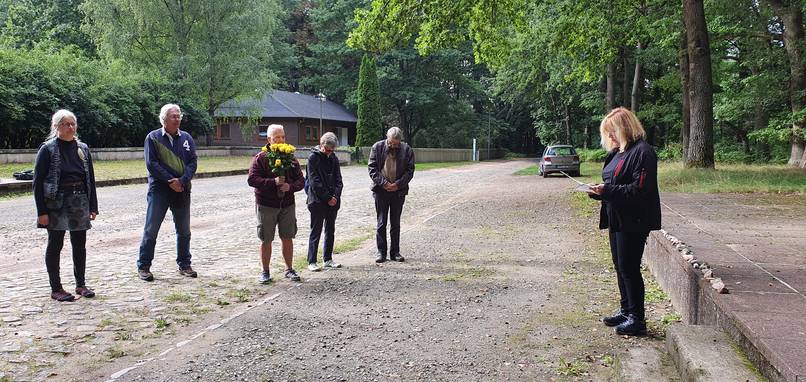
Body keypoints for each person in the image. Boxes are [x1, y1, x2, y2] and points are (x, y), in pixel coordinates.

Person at [588, 107, 661, 336]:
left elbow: (640, 189)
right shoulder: (616, 153)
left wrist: (607, 190)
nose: (609, 136)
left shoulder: (643, 152)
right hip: (616, 217)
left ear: (624, 128)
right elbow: (612, 183)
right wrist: (599, 192)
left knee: (629, 268)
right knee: (620, 266)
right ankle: (626, 309)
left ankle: (637, 319)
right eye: (607, 132)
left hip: (634, 219)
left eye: (612, 131)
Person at [33, 109, 99, 301]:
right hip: (56, 202)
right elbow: (37, 182)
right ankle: (56, 288)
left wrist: (92, 206)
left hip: (79, 200)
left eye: (73, 124)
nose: (70, 127)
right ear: (56, 127)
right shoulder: (47, 149)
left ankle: (81, 284)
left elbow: (90, 179)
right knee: (55, 244)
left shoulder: (83, 148)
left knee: (79, 244)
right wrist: (42, 212)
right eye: (66, 124)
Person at [136, 104, 198, 281]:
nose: (177, 119)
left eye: (179, 116)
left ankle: (184, 264)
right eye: (173, 116)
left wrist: (182, 181)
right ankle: (144, 266)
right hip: (160, 190)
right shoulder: (153, 137)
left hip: (182, 189)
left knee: (184, 230)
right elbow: (152, 164)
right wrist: (171, 181)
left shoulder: (186, 138)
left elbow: (193, 162)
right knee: (151, 229)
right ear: (164, 119)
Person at [247, 124, 305, 283]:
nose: (280, 140)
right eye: (276, 137)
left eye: (282, 137)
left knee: (287, 237)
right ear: (269, 139)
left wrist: (290, 187)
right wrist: (273, 182)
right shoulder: (261, 158)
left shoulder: (291, 157)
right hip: (266, 204)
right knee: (266, 239)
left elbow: (301, 181)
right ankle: (265, 271)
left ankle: (289, 269)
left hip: (287, 204)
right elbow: (252, 179)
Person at [367, 127, 415, 263]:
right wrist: (385, 184)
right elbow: (372, 169)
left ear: (400, 141)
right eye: (390, 143)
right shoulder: (377, 147)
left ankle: (395, 252)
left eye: (395, 143)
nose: (392, 146)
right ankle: (381, 252)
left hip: (398, 192)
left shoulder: (407, 149)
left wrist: (397, 185)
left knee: (395, 223)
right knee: (381, 222)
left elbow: (410, 171)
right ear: (387, 138)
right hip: (381, 190)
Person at [305, 132, 344, 271]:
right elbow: (314, 181)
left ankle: (328, 258)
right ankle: (312, 261)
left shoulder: (333, 158)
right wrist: (327, 198)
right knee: (316, 231)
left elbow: (339, 180)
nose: (329, 153)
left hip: (333, 201)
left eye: (332, 150)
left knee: (330, 230)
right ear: (321, 145)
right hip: (317, 201)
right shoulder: (312, 158)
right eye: (327, 150)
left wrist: (335, 197)